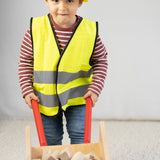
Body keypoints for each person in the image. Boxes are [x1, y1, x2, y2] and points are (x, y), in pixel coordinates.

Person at [18, 0, 108, 145]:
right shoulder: (35, 29)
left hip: (79, 96)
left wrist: (95, 88)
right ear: (47, 1)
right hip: (45, 97)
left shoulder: (89, 31)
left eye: (69, 0)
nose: (62, 7)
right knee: (50, 139)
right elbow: (25, 61)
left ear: (79, 2)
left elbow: (101, 60)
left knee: (81, 137)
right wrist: (27, 89)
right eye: (55, 0)